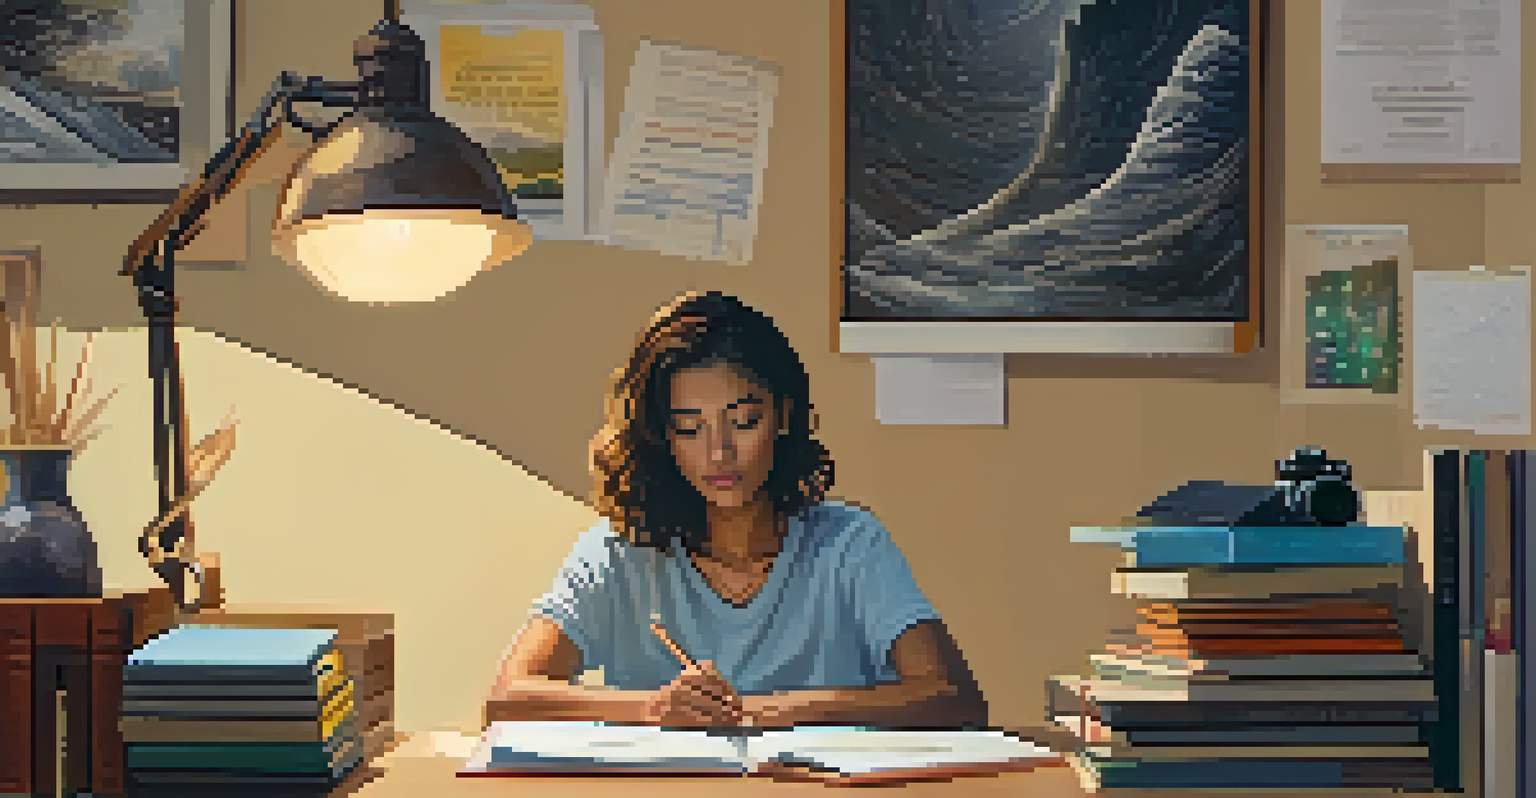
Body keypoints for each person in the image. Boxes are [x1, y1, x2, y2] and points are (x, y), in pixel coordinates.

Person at [485, 290, 987, 729]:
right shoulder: (620, 550)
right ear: (661, 436)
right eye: (689, 427)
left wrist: (787, 710)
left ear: (784, 416)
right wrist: (651, 709)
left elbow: (954, 697)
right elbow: (507, 697)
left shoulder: (850, 543)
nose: (719, 452)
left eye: (743, 421)